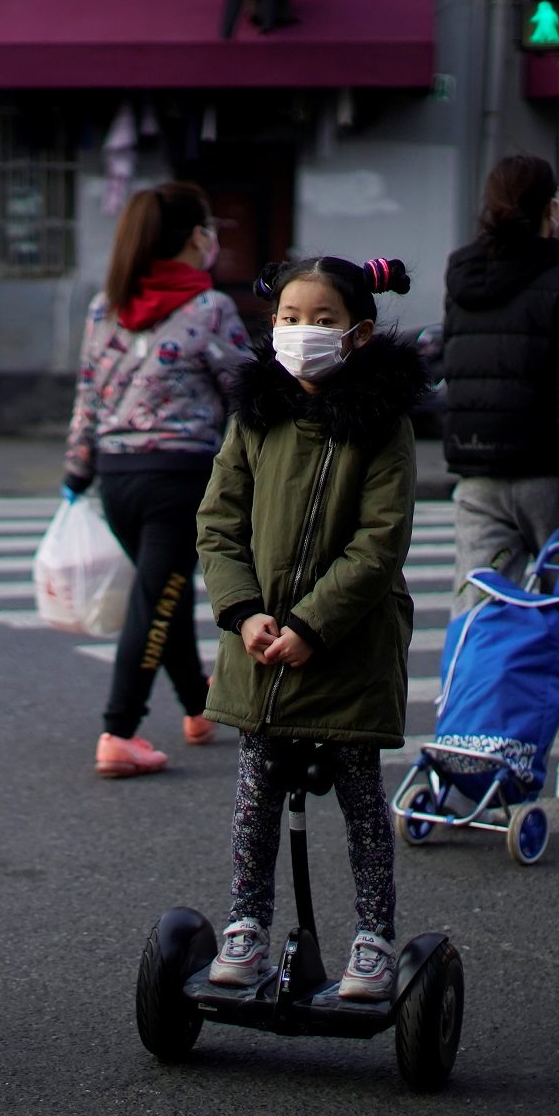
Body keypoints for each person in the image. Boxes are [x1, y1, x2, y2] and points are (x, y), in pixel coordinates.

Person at [196, 255, 424, 1002]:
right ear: (272, 325)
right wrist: (244, 613)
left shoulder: (383, 424)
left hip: (347, 649)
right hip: (260, 648)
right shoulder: (255, 416)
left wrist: (311, 626)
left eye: (322, 320)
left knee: (361, 801)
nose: (303, 332)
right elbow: (218, 522)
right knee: (255, 797)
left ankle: (373, 939)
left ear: (358, 332)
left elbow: (379, 542)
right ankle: (244, 927)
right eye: (291, 319)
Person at [440, 154, 559, 802]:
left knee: (475, 615)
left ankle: (461, 749)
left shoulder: (462, 275)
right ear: (549, 209)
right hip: (548, 478)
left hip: (476, 476)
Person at [63, 183, 253, 779]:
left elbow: (88, 394)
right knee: (157, 597)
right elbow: (248, 391)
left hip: (115, 478)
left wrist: (76, 471)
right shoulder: (210, 307)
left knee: (161, 591)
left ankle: (198, 707)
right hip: (178, 478)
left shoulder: (107, 305)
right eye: (209, 228)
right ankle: (119, 732)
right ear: (196, 237)